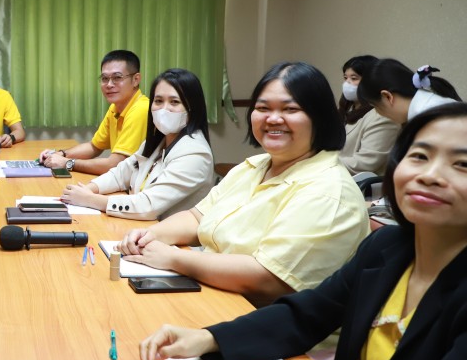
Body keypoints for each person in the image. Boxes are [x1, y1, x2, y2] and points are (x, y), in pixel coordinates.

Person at [139, 103, 467, 360]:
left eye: (462, 165)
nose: (430, 175)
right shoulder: (387, 247)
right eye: (420, 156)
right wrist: (208, 338)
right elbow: (307, 315)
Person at [118, 61, 369, 307]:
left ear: (320, 117)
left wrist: (174, 258)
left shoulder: (328, 191)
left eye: (290, 109)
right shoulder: (254, 166)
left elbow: (269, 277)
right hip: (212, 294)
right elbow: (197, 217)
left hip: (264, 321)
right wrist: (150, 236)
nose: (273, 118)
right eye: (263, 108)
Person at [60, 68, 214, 220]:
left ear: (192, 108)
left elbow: (148, 206)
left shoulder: (195, 154)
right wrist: (88, 189)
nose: (164, 109)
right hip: (142, 229)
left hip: (170, 236)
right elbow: (121, 174)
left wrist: (90, 199)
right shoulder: (159, 141)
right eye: (158, 101)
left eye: (174, 102)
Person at [40, 50, 150, 176]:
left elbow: (115, 165)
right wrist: (60, 154)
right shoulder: (115, 107)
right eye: (104, 78)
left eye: (117, 78)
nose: (109, 84)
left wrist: (67, 163)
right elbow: (94, 147)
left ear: (136, 79)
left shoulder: (141, 109)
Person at [337, 55, 400, 176]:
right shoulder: (346, 110)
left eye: (354, 78)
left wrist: (324, 165)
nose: (347, 83)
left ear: (371, 81)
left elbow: (366, 162)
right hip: (338, 176)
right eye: (345, 78)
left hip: (363, 184)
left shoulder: (382, 116)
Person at [357, 59, 461, 125]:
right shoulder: (427, 104)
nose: (377, 113)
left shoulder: (426, 117)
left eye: (375, 106)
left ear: (387, 96)